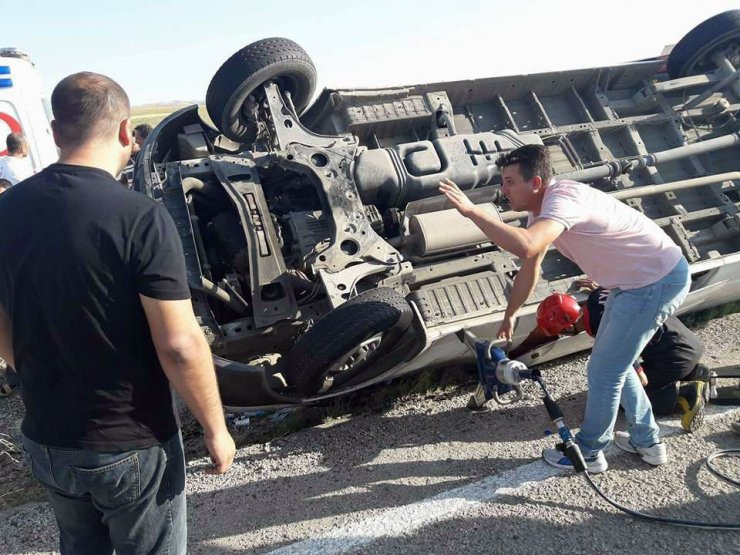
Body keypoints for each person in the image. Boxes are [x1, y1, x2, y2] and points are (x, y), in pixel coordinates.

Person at [0, 72, 235, 554]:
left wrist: (28, 370)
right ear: (128, 131)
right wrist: (215, 427)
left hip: (47, 438)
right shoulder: (140, 217)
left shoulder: (7, 211)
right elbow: (178, 343)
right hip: (131, 441)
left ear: (53, 130)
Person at [439, 144, 690, 474]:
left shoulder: (563, 199)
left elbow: (526, 244)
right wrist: (511, 313)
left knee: (605, 369)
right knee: (616, 363)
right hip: (632, 283)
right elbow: (531, 265)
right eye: (503, 181)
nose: (504, 190)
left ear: (537, 182)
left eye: (510, 181)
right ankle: (648, 441)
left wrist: (473, 212)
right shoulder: (539, 212)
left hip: (654, 282)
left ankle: (589, 450)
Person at [517, 287, 708, 432]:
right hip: (687, 342)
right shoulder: (597, 294)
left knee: (625, 399)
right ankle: (694, 372)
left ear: (568, 328)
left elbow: (623, 355)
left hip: (675, 356)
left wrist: (636, 372)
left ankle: (685, 393)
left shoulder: (599, 326)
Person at [119, 123, 152, 187]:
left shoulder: (149, 159)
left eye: (137, 138)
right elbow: (124, 181)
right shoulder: (127, 161)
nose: (136, 141)